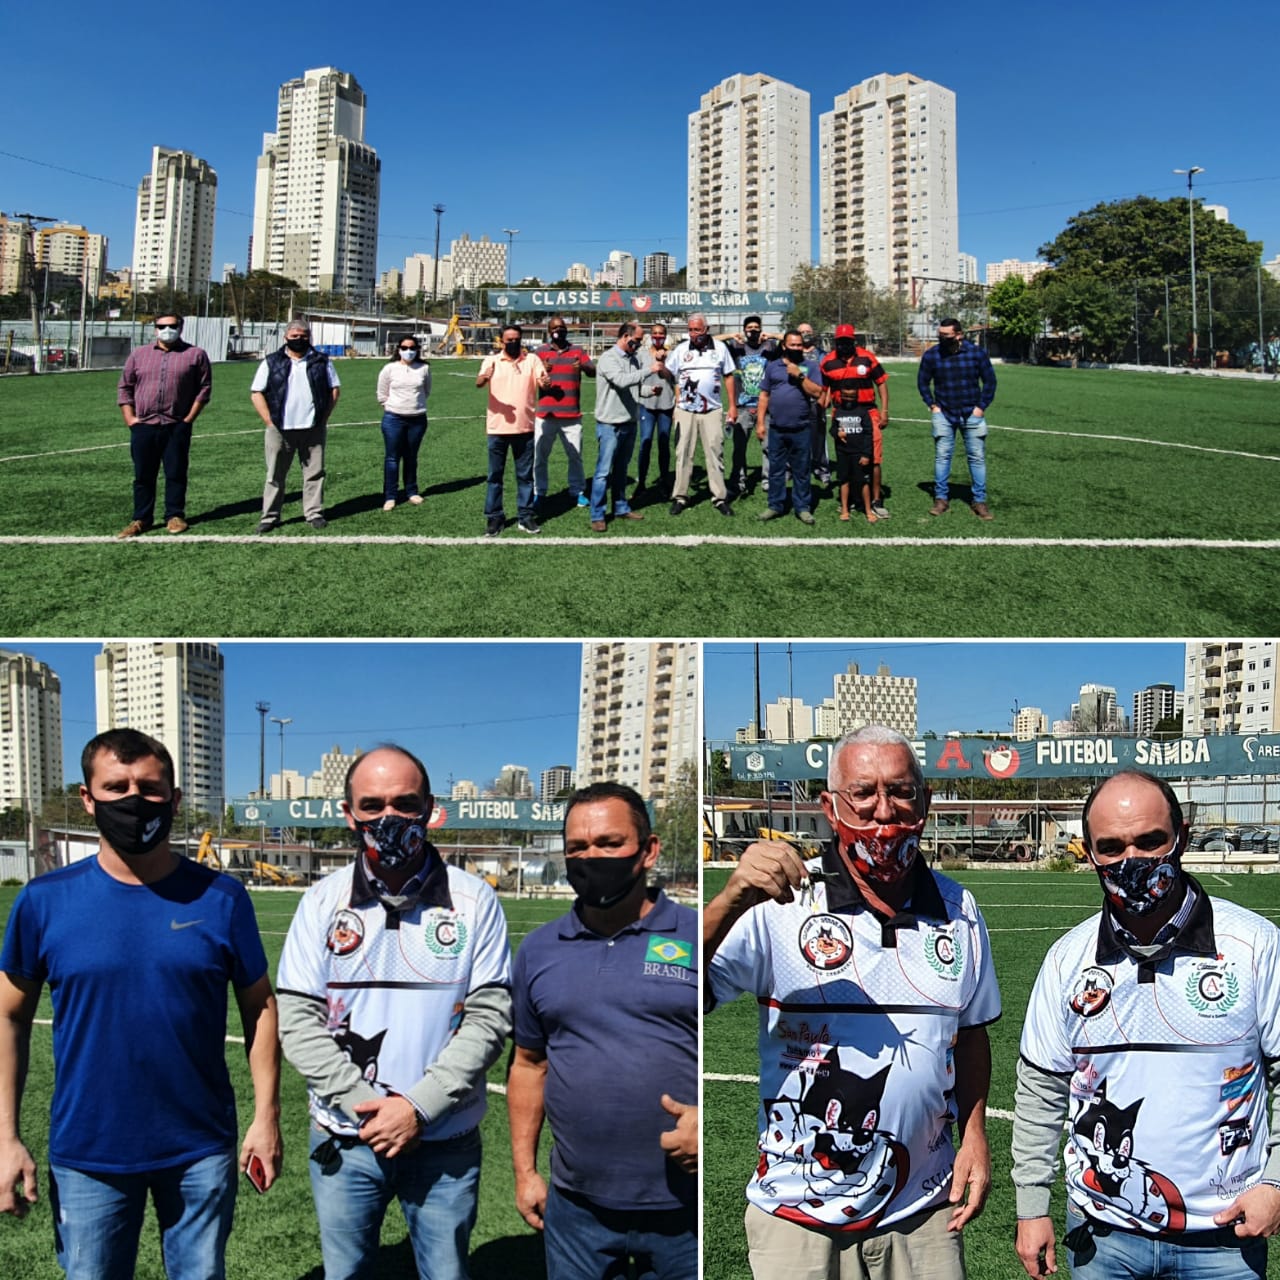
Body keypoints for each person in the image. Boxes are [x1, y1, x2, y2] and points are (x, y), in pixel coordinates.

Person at [704, 725, 1000, 1279]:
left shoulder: (960, 909)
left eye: (901, 791)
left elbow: (973, 1033)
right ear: (830, 805)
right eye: (863, 793)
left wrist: (976, 1134)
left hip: (922, 1211)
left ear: (926, 801)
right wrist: (729, 898)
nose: (883, 812)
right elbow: (670, 984)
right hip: (796, 1216)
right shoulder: (780, 902)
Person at [0, 728, 282, 1278]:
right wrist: (5, 1135)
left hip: (199, 1147)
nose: (135, 800)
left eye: (151, 788)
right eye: (117, 786)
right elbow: (8, 1014)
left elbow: (260, 1006)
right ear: (88, 798)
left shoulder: (223, 898)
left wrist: (266, 1115)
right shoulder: (43, 902)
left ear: (175, 799)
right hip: (89, 1150)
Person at [1012, 769, 1280, 1280]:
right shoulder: (1068, 958)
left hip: (1225, 1239)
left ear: (1180, 835)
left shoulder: (1255, 945)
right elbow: (1041, 1089)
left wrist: (1277, 1182)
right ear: (1089, 852)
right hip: (1101, 1237)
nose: (1131, 860)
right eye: (1110, 847)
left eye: (1150, 841)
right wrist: (1032, 1205)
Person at [277, 746, 512, 1280]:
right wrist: (369, 1107)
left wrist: (418, 1108)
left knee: (446, 1274)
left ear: (430, 808)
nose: (389, 818)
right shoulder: (320, 902)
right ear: (349, 812)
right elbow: (297, 1022)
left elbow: (489, 1019)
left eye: (405, 803)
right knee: (347, 1274)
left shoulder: (474, 901)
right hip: (345, 1134)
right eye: (373, 804)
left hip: (443, 1140)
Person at [508, 782, 697, 1280]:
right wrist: (525, 1173)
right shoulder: (538, 950)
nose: (592, 857)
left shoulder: (698, 935)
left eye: (610, 844)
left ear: (648, 851)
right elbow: (529, 1065)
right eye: (578, 847)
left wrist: (707, 1120)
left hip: (684, 1211)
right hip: (578, 1211)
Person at [116, 313, 211, 537]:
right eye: (161, 326)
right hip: (144, 425)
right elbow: (125, 387)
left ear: (181, 327)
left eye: (172, 326)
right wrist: (130, 418)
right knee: (143, 475)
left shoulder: (195, 355)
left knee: (176, 472)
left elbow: (204, 389)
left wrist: (188, 419)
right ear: (155, 329)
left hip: (176, 424)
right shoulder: (139, 355)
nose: (167, 329)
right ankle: (141, 518)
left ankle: (175, 515)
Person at [250, 318, 341, 532]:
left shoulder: (321, 361)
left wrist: (323, 418)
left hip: (313, 428)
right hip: (280, 429)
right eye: (294, 337)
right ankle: (270, 516)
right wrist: (269, 421)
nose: (299, 340)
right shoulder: (271, 361)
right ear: (286, 337)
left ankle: (314, 513)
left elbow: (334, 389)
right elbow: (257, 392)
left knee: (315, 473)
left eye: (303, 336)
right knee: (275, 475)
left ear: (309, 337)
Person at [916, 318, 997, 520]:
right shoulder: (932, 355)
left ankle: (979, 501)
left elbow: (990, 382)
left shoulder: (976, 353)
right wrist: (932, 405)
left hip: (972, 413)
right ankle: (941, 499)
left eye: (947, 336)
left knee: (976, 457)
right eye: (940, 335)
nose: (942, 339)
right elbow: (923, 382)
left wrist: (981, 407)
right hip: (944, 413)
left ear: (959, 335)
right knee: (942, 456)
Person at [475, 326, 549, 536]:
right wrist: (485, 377)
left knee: (525, 477)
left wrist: (545, 382)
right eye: (509, 340)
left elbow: (542, 381)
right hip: (497, 428)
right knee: (494, 476)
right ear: (501, 341)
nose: (513, 343)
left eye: (517, 339)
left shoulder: (532, 360)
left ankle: (525, 517)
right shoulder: (492, 361)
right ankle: (494, 518)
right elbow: (479, 382)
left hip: (524, 427)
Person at [666, 314, 736, 518]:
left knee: (715, 452)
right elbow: (670, 374)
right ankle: (680, 496)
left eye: (697, 330)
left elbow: (729, 376)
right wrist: (661, 370)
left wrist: (732, 406)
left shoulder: (720, 348)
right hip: (685, 410)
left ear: (706, 329)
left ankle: (719, 497)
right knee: (683, 453)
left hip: (712, 410)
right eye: (690, 330)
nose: (693, 334)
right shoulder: (681, 349)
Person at [589, 322, 656, 532]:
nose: (638, 345)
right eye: (636, 341)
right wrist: (648, 371)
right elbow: (620, 381)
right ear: (626, 337)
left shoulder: (632, 359)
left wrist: (649, 391)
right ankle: (597, 514)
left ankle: (620, 507)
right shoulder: (609, 358)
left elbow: (634, 387)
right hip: (610, 423)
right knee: (602, 472)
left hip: (629, 421)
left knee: (621, 469)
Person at [820, 324, 891, 519]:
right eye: (840, 342)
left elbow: (881, 384)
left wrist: (884, 411)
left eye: (847, 341)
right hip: (841, 414)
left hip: (868, 412)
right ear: (836, 342)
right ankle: (851, 498)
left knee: (874, 458)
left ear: (854, 341)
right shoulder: (827, 362)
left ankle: (876, 501)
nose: (844, 345)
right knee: (847, 457)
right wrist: (821, 407)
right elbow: (825, 391)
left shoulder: (867, 358)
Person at [755, 330, 820, 525]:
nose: (796, 348)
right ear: (784, 346)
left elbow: (817, 392)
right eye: (792, 345)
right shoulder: (773, 367)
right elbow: (764, 395)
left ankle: (802, 507)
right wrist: (760, 423)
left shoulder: (810, 366)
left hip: (801, 427)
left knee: (801, 470)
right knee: (776, 470)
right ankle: (775, 505)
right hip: (776, 427)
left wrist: (799, 376)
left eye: (799, 345)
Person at [534, 316, 594, 511]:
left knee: (575, 456)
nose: (558, 330)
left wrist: (583, 366)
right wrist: (542, 371)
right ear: (548, 331)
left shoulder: (577, 351)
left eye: (562, 327)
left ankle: (577, 491)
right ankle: (539, 492)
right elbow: (529, 379)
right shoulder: (540, 352)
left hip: (571, 415)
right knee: (540, 457)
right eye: (554, 327)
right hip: (546, 415)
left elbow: (593, 371)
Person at [723, 315, 778, 498]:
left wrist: (771, 335)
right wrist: (731, 334)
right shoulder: (737, 348)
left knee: (769, 447)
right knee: (739, 448)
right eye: (750, 327)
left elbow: (791, 340)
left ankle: (768, 480)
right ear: (744, 329)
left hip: (765, 407)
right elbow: (711, 341)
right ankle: (739, 481)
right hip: (743, 406)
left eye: (756, 327)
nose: (753, 330)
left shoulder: (770, 347)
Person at [376, 334, 431, 512]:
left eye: (412, 348)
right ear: (399, 350)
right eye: (405, 348)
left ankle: (411, 491)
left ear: (417, 350)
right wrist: (390, 406)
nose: (409, 351)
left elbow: (426, 390)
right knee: (392, 458)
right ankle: (390, 496)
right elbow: (382, 392)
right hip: (393, 418)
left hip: (417, 419)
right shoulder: (389, 369)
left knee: (411, 457)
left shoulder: (423, 368)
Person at [635, 321, 675, 499]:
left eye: (661, 334)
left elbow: (672, 378)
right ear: (650, 336)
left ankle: (665, 481)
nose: (658, 336)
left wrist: (663, 363)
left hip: (666, 405)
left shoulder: (672, 354)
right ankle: (641, 482)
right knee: (645, 442)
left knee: (664, 444)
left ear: (666, 336)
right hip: (647, 405)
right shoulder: (642, 354)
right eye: (655, 333)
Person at [830, 394, 876, 523]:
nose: (848, 400)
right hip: (843, 452)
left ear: (856, 396)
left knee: (863, 481)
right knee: (844, 480)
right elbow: (832, 429)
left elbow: (868, 433)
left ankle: (868, 510)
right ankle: (845, 508)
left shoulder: (862, 412)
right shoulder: (838, 411)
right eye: (845, 396)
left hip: (859, 453)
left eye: (851, 397)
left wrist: (866, 454)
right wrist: (837, 434)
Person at [797, 323, 830, 487]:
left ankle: (822, 469)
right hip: (796, 401)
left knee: (819, 437)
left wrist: (826, 396)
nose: (805, 335)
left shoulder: (822, 355)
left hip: (816, 401)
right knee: (794, 436)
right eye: (802, 332)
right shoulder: (793, 353)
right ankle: (793, 468)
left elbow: (828, 378)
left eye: (808, 332)